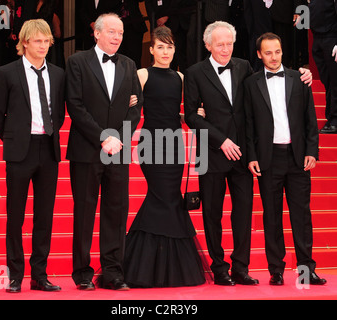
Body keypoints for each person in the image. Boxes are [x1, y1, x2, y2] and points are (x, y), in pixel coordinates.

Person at [184, 21, 312, 286]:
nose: (225, 49)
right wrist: (221, 140)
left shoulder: (243, 67)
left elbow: (269, 79)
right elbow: (190, 116)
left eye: (229, 43)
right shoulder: (194, 72)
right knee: (212, 214)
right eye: (219, 44)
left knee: (243, 214)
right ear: (208, 45)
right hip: (212, 152)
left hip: (243, 153)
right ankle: (219, 268)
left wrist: (303, 72)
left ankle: (240, 267)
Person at [123, 26, 208, 288]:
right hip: (151, 143)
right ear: (151, 49)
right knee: (162, 196)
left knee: (170, 197)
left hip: (174, 144)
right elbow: (132, 103)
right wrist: (128, 102)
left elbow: (181, 108)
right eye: (160, 47)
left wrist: (193, 116)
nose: (165, 52)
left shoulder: (181, 77)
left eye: (169, 47)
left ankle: (155, 266)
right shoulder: (142, 73)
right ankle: (152, 265)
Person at [65, 13, 143, 291]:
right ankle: (82, 273)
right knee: (84, 212)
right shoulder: (77, 62)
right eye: (111, 31)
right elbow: (75, 105)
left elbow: (136, 107)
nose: (117, 37)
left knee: (116, 212)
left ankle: (113, 273)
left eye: (120, 33)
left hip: (118, 150)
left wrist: (117, 139)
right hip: (87, 149)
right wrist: (102, 138)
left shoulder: (130, 64)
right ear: (96, 33)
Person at [244, 32, 326, 286]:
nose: (273, 57)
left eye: (277, 51)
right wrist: (252, 156)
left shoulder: (299, 79)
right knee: (272, 215)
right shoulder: (251, 83)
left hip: (298, 156)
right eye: (267, 52)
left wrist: (312, 150)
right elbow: (249, 124)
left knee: (302, 215)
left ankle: (306, 269)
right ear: (259, 54)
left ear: (282, 51)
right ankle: (276, 270)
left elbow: (310, 119)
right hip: (269, 158)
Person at [0, 19, 65, 293]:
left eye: (46, 41)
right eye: (37, 41)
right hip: (19, 151)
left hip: (48, 149)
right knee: (16, 216)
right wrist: (13, 139)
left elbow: (58, 112)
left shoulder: (58, 74)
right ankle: (15, 276)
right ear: (24, 43)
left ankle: (40, 275)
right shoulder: (7, 72)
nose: (43, 46)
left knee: (44, 216)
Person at [309, 0, 337, 134]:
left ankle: (335, 120)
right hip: (318, 38)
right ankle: (331, 117)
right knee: (327, 81)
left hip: (331, 39)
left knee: (335, 81)